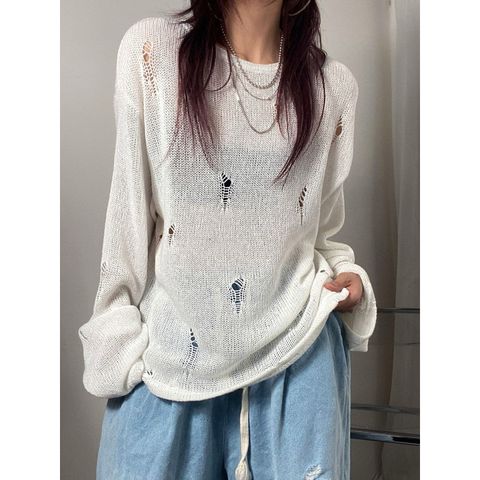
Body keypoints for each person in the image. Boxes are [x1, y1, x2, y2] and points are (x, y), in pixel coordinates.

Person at [78, 1, 377, 478]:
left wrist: (346, 274)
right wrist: (119, 355)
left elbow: (318, 233)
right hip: (174, 366)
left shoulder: (332, 87)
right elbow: (126, 222)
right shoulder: (154, 53)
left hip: (298, 366)